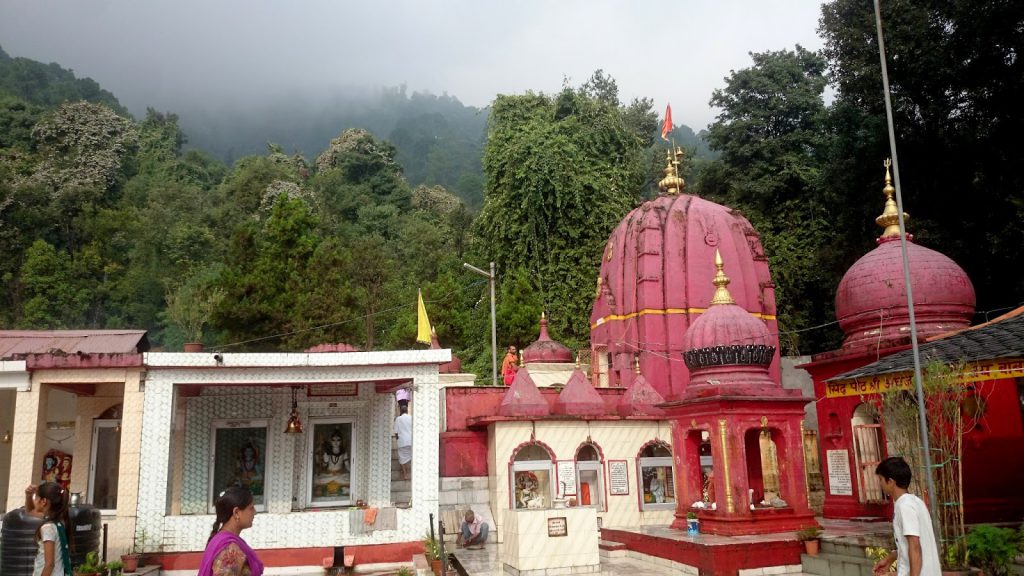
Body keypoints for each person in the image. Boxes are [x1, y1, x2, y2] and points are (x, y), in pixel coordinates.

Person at [872, 457, 941, 576]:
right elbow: (909, 546)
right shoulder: (915, 502)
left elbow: (915, 546)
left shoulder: (905, 507)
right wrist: (890, 558)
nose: (880, 483)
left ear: (891, 482)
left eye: (881, 479)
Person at [199, 486, 263, 576]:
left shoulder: (221, 539)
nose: (255, 512)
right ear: (236, 512)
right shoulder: (230, 551)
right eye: (251, 508)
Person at [26, 482, 72, 576]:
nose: (35, 500)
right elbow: (30, 511)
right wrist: (29, 496)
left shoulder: (48, 528)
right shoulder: (59, 521)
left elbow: (49, 564)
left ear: (43, 501)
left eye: (36, 497)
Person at [393, 403, 412, 480]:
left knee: (401, 458)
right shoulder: (411, 418)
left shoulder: (398, 419)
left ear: (400, 411)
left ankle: (405, 474)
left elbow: (396, 432)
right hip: (411, 441)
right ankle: (411, 472)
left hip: (402, 442)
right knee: (411, 456)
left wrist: (398, 440)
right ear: (407, 411)